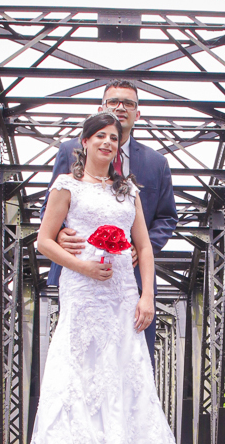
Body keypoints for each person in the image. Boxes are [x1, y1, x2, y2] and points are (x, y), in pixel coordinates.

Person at [24, 113, 197, 444]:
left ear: (119, 146)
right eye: (99, 136)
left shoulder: (128, 191)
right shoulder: (66, 185)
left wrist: (148, 295)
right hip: (83, 289)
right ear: (84, 143)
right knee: (81, 363)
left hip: (122, 290)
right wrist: (82, 267)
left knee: (124, 363)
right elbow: (43, 241)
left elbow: (145, 246)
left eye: (113, 138)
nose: (107, 142)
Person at [44, 82, 177, 365]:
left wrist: (140, 250)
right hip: (80, 276)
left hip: (130, 281)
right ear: (100, 108)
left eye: (128, 103)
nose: (120, 107)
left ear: (137, 113)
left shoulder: (156, 163)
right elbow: (50, 212)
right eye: (113, 101)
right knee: (80, 361)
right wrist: (59, 236)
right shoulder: (68, 152)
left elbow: (167, 217)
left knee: (132, 362)